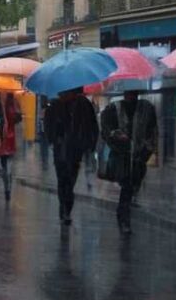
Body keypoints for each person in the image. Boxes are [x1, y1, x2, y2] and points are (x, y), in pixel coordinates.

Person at [100, 90, 158, 235]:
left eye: (133, 93)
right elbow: (106, 129)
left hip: (138, 157)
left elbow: (153, 132)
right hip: (123, 157)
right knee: (127, 186)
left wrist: (146, 150)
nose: (131, 96)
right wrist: (117, 136)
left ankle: (123, 214)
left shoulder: (147, 108)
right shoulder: (114, 108)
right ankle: (124, 218)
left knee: (131, 186)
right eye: (129, 93)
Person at [43, 87, 99, 226]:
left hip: (75, 149)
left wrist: (90, 144)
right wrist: (54, 139)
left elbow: (92, 125)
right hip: (60, 150)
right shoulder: (54, 105)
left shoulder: (83, 104)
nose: (62, 94)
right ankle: (64, 208)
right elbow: (48, 126)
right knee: (62, 180)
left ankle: (67, 207)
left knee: (70, 181)